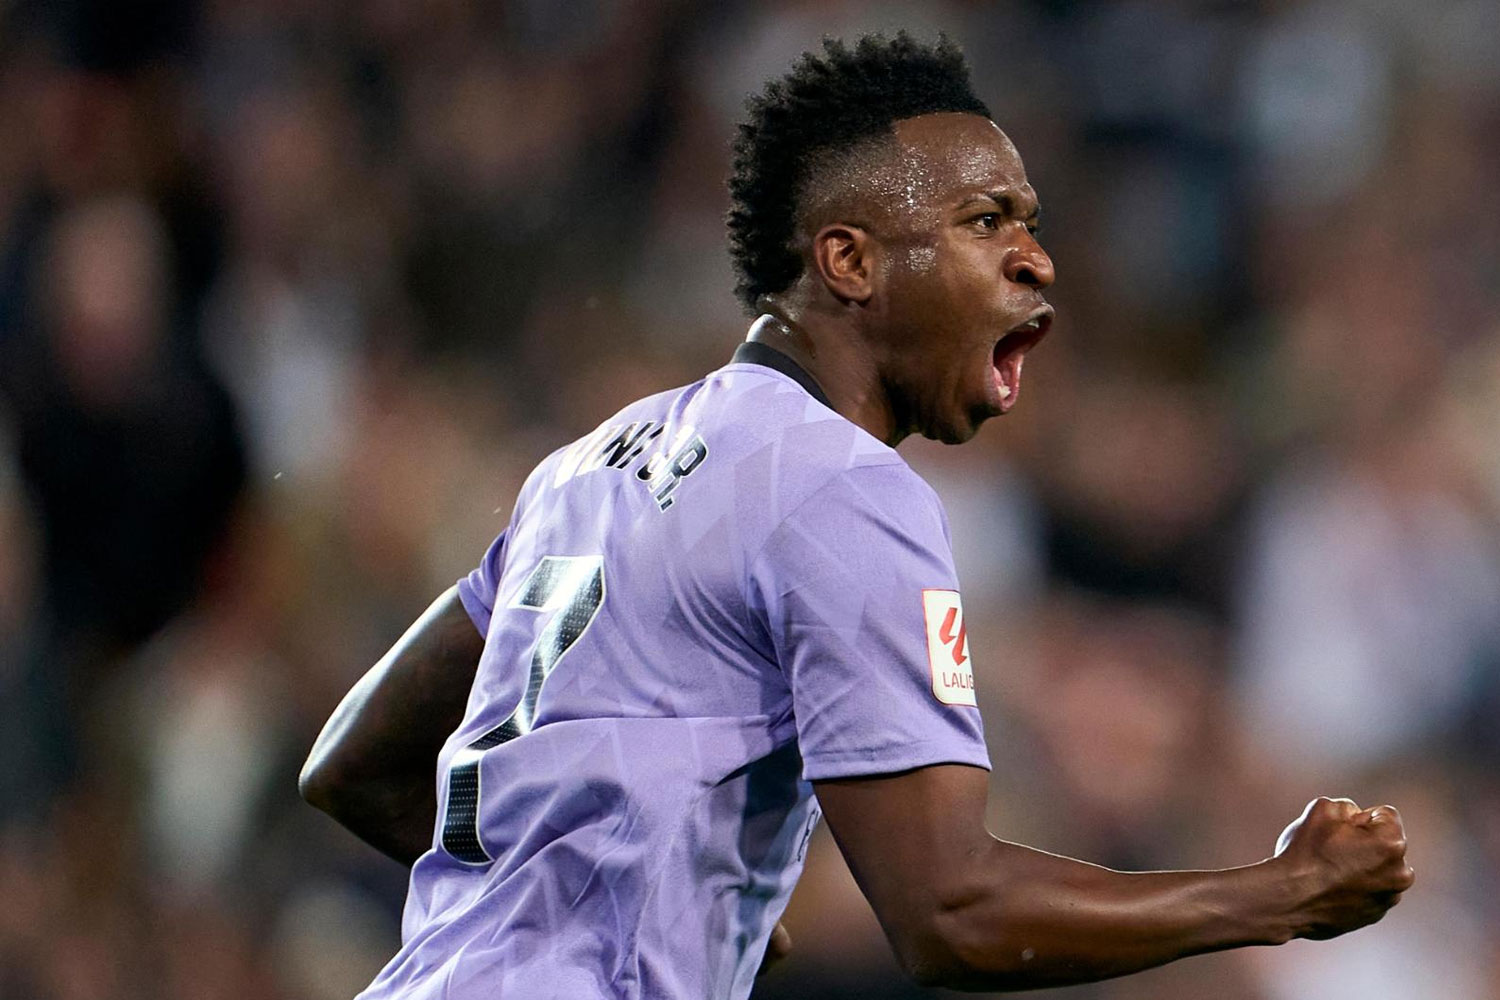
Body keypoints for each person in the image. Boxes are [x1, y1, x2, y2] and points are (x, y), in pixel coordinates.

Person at [300, 34, 1413, 998]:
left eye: (1027, 220)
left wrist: (628, 896)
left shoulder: (590, 463)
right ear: (848, 260)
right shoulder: (842, 485)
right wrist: (1280, 893)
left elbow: (357, 765)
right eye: (987, 221)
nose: (1035, 258)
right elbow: (953, 914)